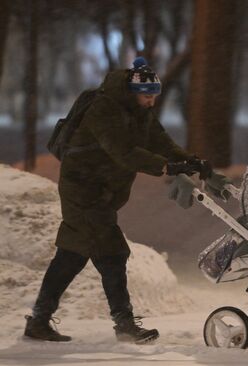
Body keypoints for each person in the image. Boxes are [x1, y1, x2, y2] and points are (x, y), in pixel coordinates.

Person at [24, 57, 214, 344]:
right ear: (133, 93)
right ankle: (124, 324)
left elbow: (161, 142)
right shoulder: (104, 110)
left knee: (72, 256)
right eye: (147, 97)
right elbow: (122, 151)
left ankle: (39, 320)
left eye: (154, 97)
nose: (151, 103)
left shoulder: (139, 113)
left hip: (101, 192)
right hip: (84, 190)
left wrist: (190, 161)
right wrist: (166, 167)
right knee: (113, 254)